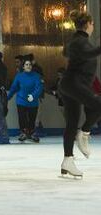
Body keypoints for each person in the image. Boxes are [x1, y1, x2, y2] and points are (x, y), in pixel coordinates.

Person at [58, 10, 101, 177]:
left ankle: (67, 161)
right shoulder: (79, 41)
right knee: (98, 105)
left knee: (72, 122)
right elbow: (86, 53)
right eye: (92, 24)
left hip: (71, 85)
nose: (93, 26)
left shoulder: (77, 41)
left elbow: (67, 52)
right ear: (88, 24)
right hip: (73, 84)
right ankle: (84, 133)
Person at [7, 59, 43, 143]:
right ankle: (23, 133)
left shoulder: (36, 76)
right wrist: (8, 97)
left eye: (30, 64)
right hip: (21, 101)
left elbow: (39, 87)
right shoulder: (19, 76)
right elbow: (14, 88)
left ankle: (31, 133)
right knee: (22, 118)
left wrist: (33, 96)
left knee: (32, 118)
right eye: (26, 65)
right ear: (23, 67)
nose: (28, 66)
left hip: (33, 102)